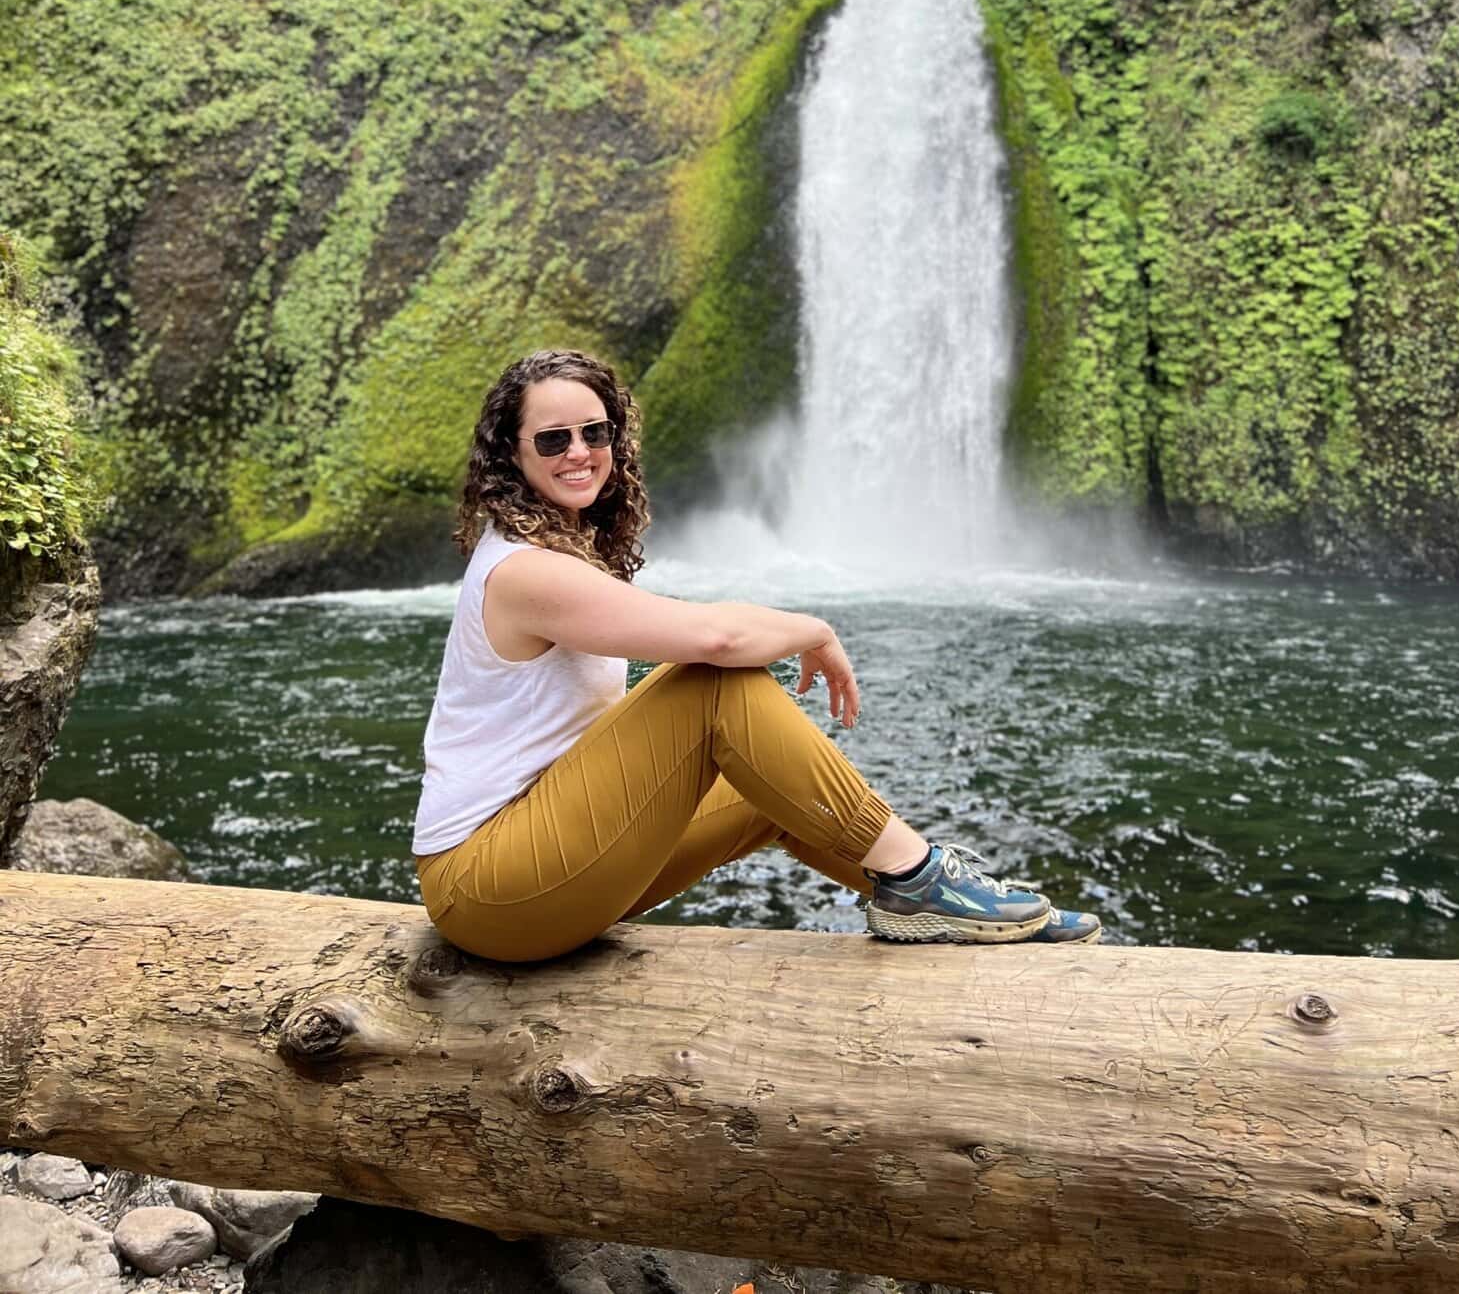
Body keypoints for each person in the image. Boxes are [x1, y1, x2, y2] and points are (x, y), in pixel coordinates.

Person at [411, 348, 1102, 961]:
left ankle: (941, 904)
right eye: (553, 438)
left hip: (545, 867)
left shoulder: (561, 549)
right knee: (712, 683)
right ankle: (923, 878)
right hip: (489, 891)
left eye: (595, 433)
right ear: (511, 452)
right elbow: (714, 639)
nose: (579, 451)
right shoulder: (526, 570)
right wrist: (813, 629)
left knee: (769, 788)